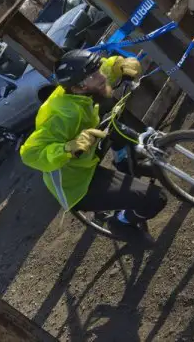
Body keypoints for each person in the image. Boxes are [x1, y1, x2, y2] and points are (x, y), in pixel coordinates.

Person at [19, 50, 168, 243]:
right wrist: (68, 148)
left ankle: (128, 163)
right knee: (156, 199)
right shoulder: (61, 116)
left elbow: (108, 66)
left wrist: (121, 64)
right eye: (94, 75)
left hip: (89, 151)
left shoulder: (83, 81)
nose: (101, 76)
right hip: (77, 183)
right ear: (79, 87)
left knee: (115, 127)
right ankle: (121, 222)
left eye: (97, 71)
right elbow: (30, 153)